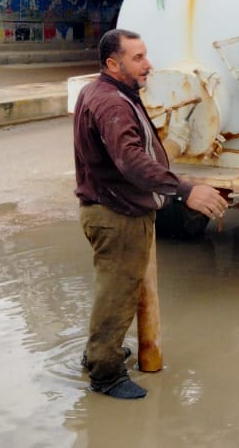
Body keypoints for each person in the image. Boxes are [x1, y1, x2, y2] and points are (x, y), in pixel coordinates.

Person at [73, 28, 228, 400]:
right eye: (137, 58)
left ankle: (99, 352)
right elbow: (131, 162)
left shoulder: (106, 92)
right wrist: (186, 190)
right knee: (118, 293)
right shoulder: (111, 103)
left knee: (115, 288)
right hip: (117, 215)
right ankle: (105, 374)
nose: (149, 64)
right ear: (113, 63)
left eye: (146, 55)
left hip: (111, 209)